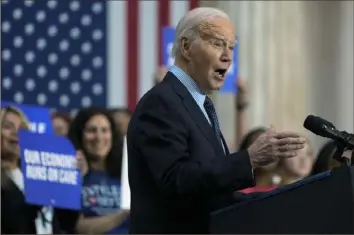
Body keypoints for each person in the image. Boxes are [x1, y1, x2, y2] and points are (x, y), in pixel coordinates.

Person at [126, 7, 306, 234]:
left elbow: (211, 194)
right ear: (186, 47)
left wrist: (284, 199)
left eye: (231, 47)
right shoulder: (161, 103)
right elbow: (177, 180)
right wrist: (249, 159)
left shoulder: (200, 105)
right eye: (218, 44)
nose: (228, 57)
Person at [1, 106, 79, 234]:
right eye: (8, 127)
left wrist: (72, 183)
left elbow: (67, 223)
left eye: (22, 129)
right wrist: (39, 198)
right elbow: (13, 221)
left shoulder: (35, 174)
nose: (16, 133)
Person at [67, 108, 130, 234]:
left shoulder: (127, 174)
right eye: (92, 130)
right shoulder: (70, 175)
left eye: (104, 130)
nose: (99, 137)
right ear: (80, 135)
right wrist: (125, 214)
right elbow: (78, 228)